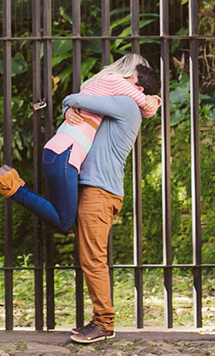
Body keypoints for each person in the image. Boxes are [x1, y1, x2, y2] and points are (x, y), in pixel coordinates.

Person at [0, 54, 161, 235]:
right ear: (127, 73)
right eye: (137, 78)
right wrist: (149, 100)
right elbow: (76, 99)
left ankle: (12, 184)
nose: (135, 84)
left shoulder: (107, 92)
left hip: (64, 153)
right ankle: (12, 186)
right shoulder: (115, 81)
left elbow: (140, 109)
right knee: (65, 222)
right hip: (65, 152)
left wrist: (154, 100)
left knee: (65, 218)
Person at [64, 61, 161, 344]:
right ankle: (100, 319)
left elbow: (79, 98)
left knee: (93, 259)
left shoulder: (127, 106)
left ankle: (104, 323)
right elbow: (81, 107)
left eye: (126, 76)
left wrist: (69, 102)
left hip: (99, 191)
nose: (117, 78)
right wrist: (69, 110)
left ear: (137, 88)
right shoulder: (119, 104)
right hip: (92, 188)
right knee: (88, 256)